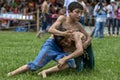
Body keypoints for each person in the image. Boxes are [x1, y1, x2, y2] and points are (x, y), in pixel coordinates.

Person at [48, 2, 94, 71]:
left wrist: (85, 44)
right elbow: (51, 30)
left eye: (81, 13)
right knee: (76, 68)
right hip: (65, 48)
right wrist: (64, 34)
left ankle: (86, 61)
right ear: (69, 12)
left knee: (88, 68)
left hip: (76, 48)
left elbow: (89, 37)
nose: (79, 15)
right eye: (77, 12)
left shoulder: (78, 25)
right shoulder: (62, 19)